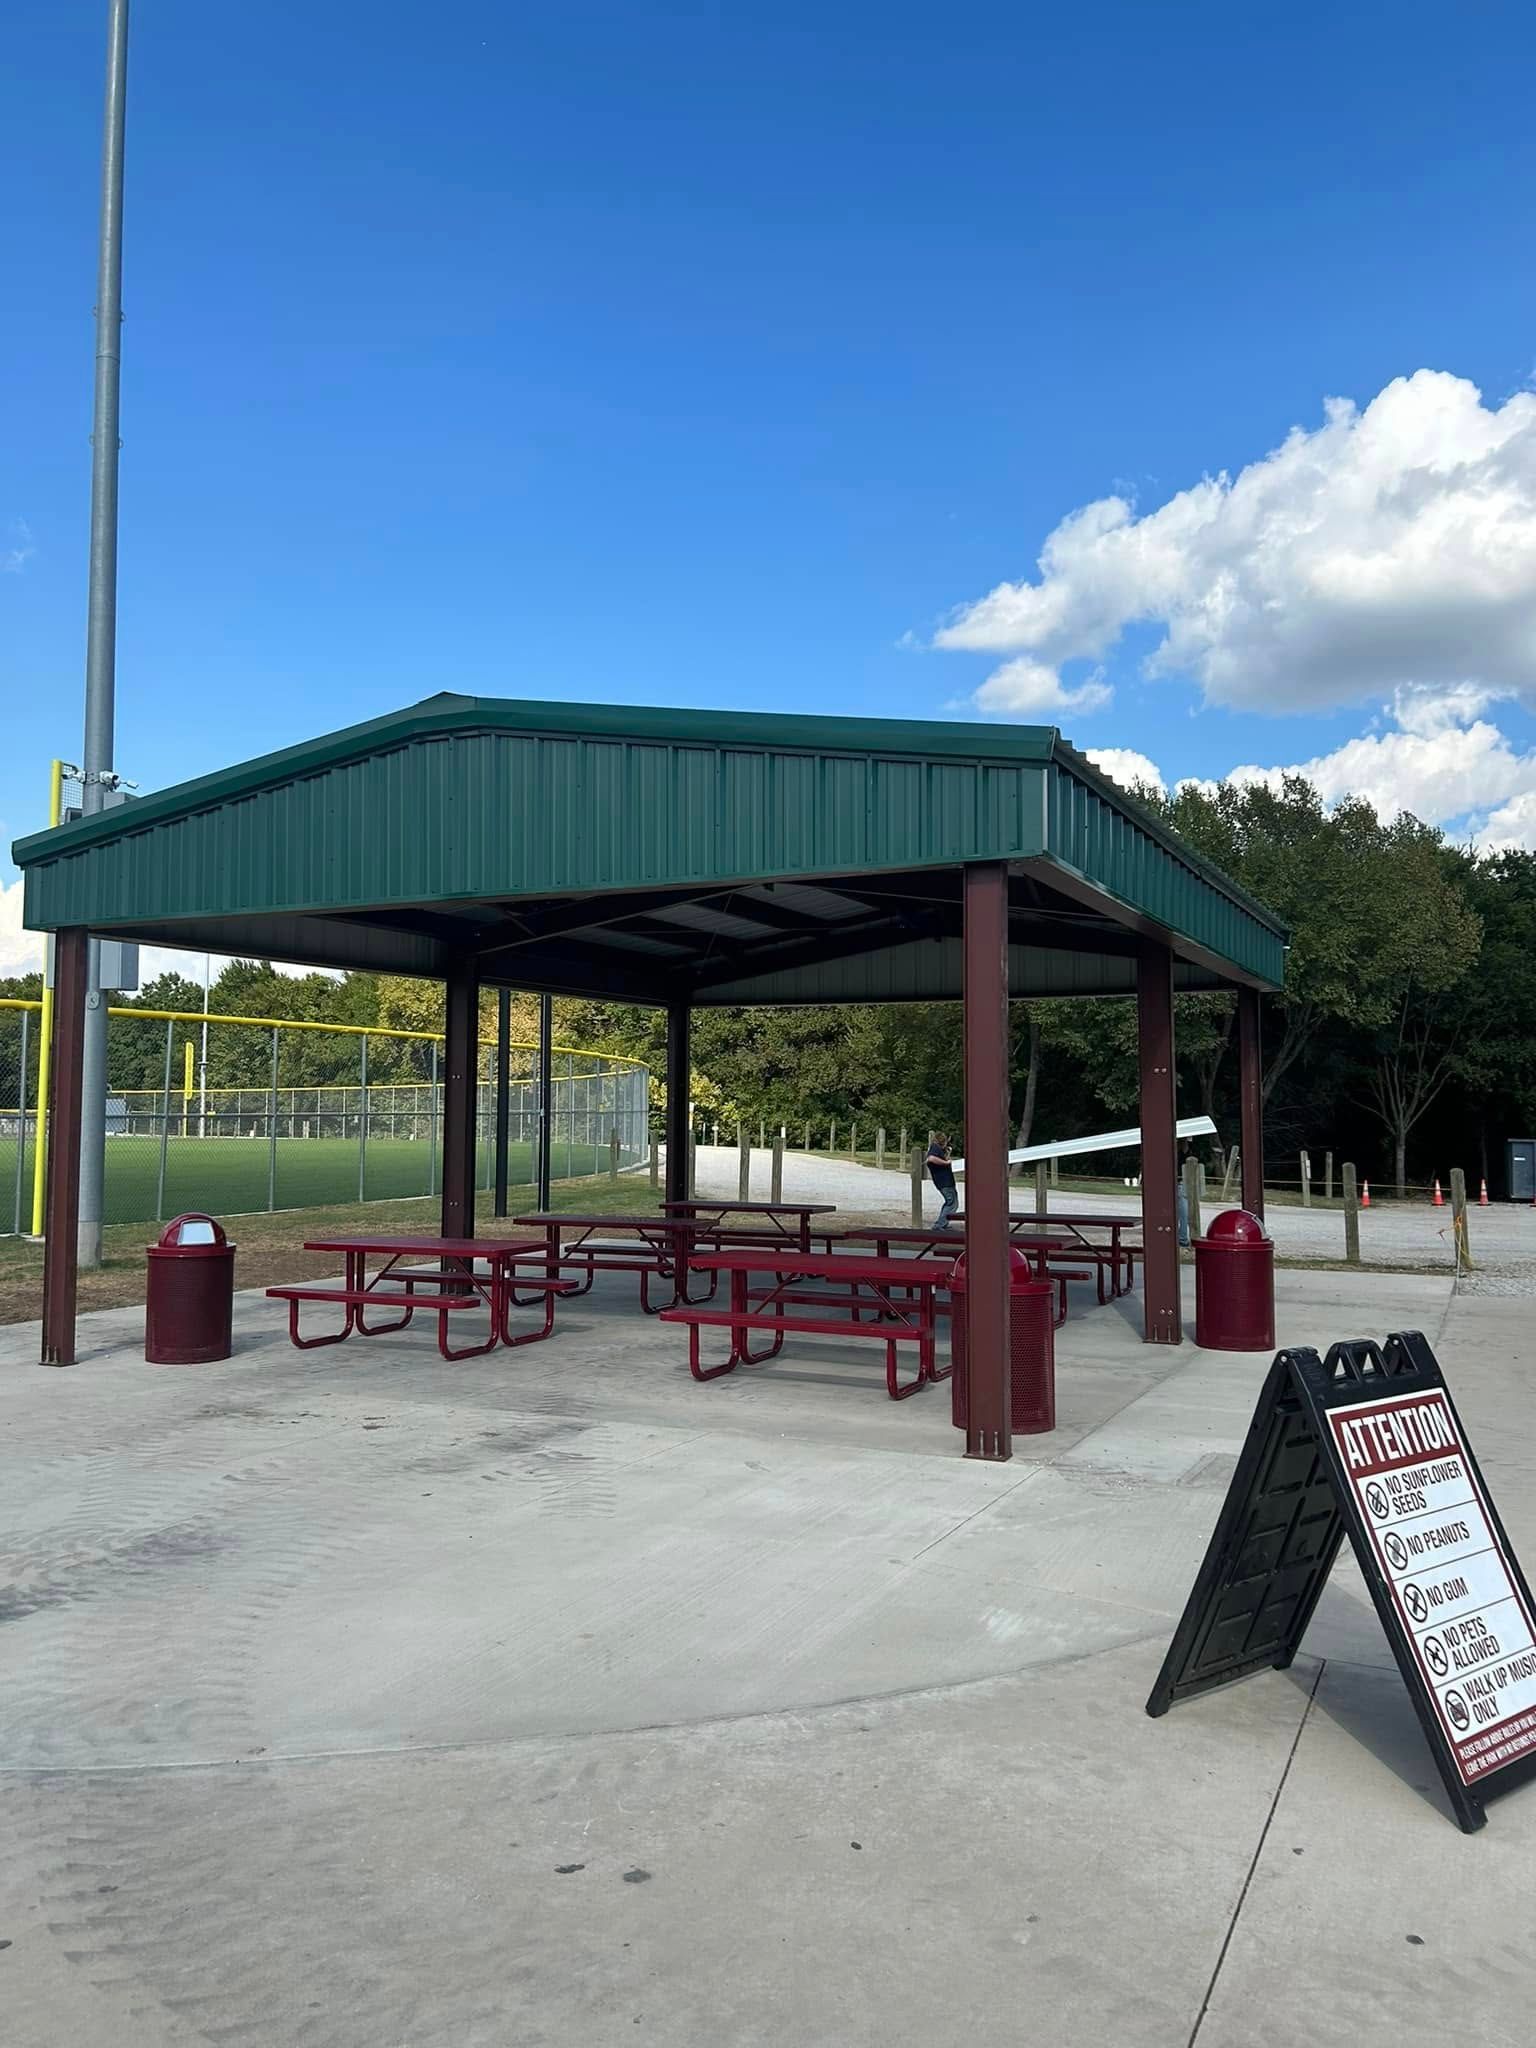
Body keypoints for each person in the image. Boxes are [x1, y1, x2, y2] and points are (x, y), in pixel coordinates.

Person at [926, 1132, 960, 1231]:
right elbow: (931, 1158)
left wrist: (947, 1154)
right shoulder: (935, 1147)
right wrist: (946, 1163)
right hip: (944, 1182)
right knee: (951, 1203)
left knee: (952, 1203)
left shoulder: (937, 1149)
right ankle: (939, 1225)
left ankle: (942, 1223)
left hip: (946, 1181)